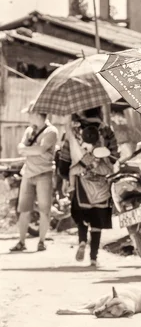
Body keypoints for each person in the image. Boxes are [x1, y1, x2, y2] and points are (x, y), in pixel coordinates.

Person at [57, 107, 119, 267]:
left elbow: (64, 158)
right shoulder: (106, 130)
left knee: (82, 218)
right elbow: (114, 156)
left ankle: (83, 241)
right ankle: (93, 258)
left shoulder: (75, 131)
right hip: (102, 181)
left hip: (81, 179)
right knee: (97, 221)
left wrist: (67, 176)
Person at [10, 102, 58, 252]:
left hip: (44, 173)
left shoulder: (51, 131)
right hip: (28, 173)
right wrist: (34, 150)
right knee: (24, 209)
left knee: (44, 209)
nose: (28, 117)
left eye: (30, 114)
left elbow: (41, 149)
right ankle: (21, 241)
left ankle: (41, 241)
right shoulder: (29, 130)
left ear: (37, 114)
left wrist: (29, 150)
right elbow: (21, 148)